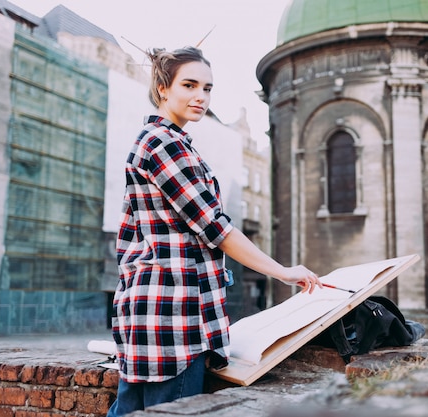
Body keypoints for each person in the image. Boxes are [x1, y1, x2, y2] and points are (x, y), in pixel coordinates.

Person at [106, 45, 322, 417]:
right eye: (189, 85)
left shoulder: (163, 143)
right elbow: (215, 229)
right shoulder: (163, 144)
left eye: (207, 88)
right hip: (172, 318)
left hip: (151, 316)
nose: (200, 97)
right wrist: (283, 271)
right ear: (163, 88)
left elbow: (130, 238)